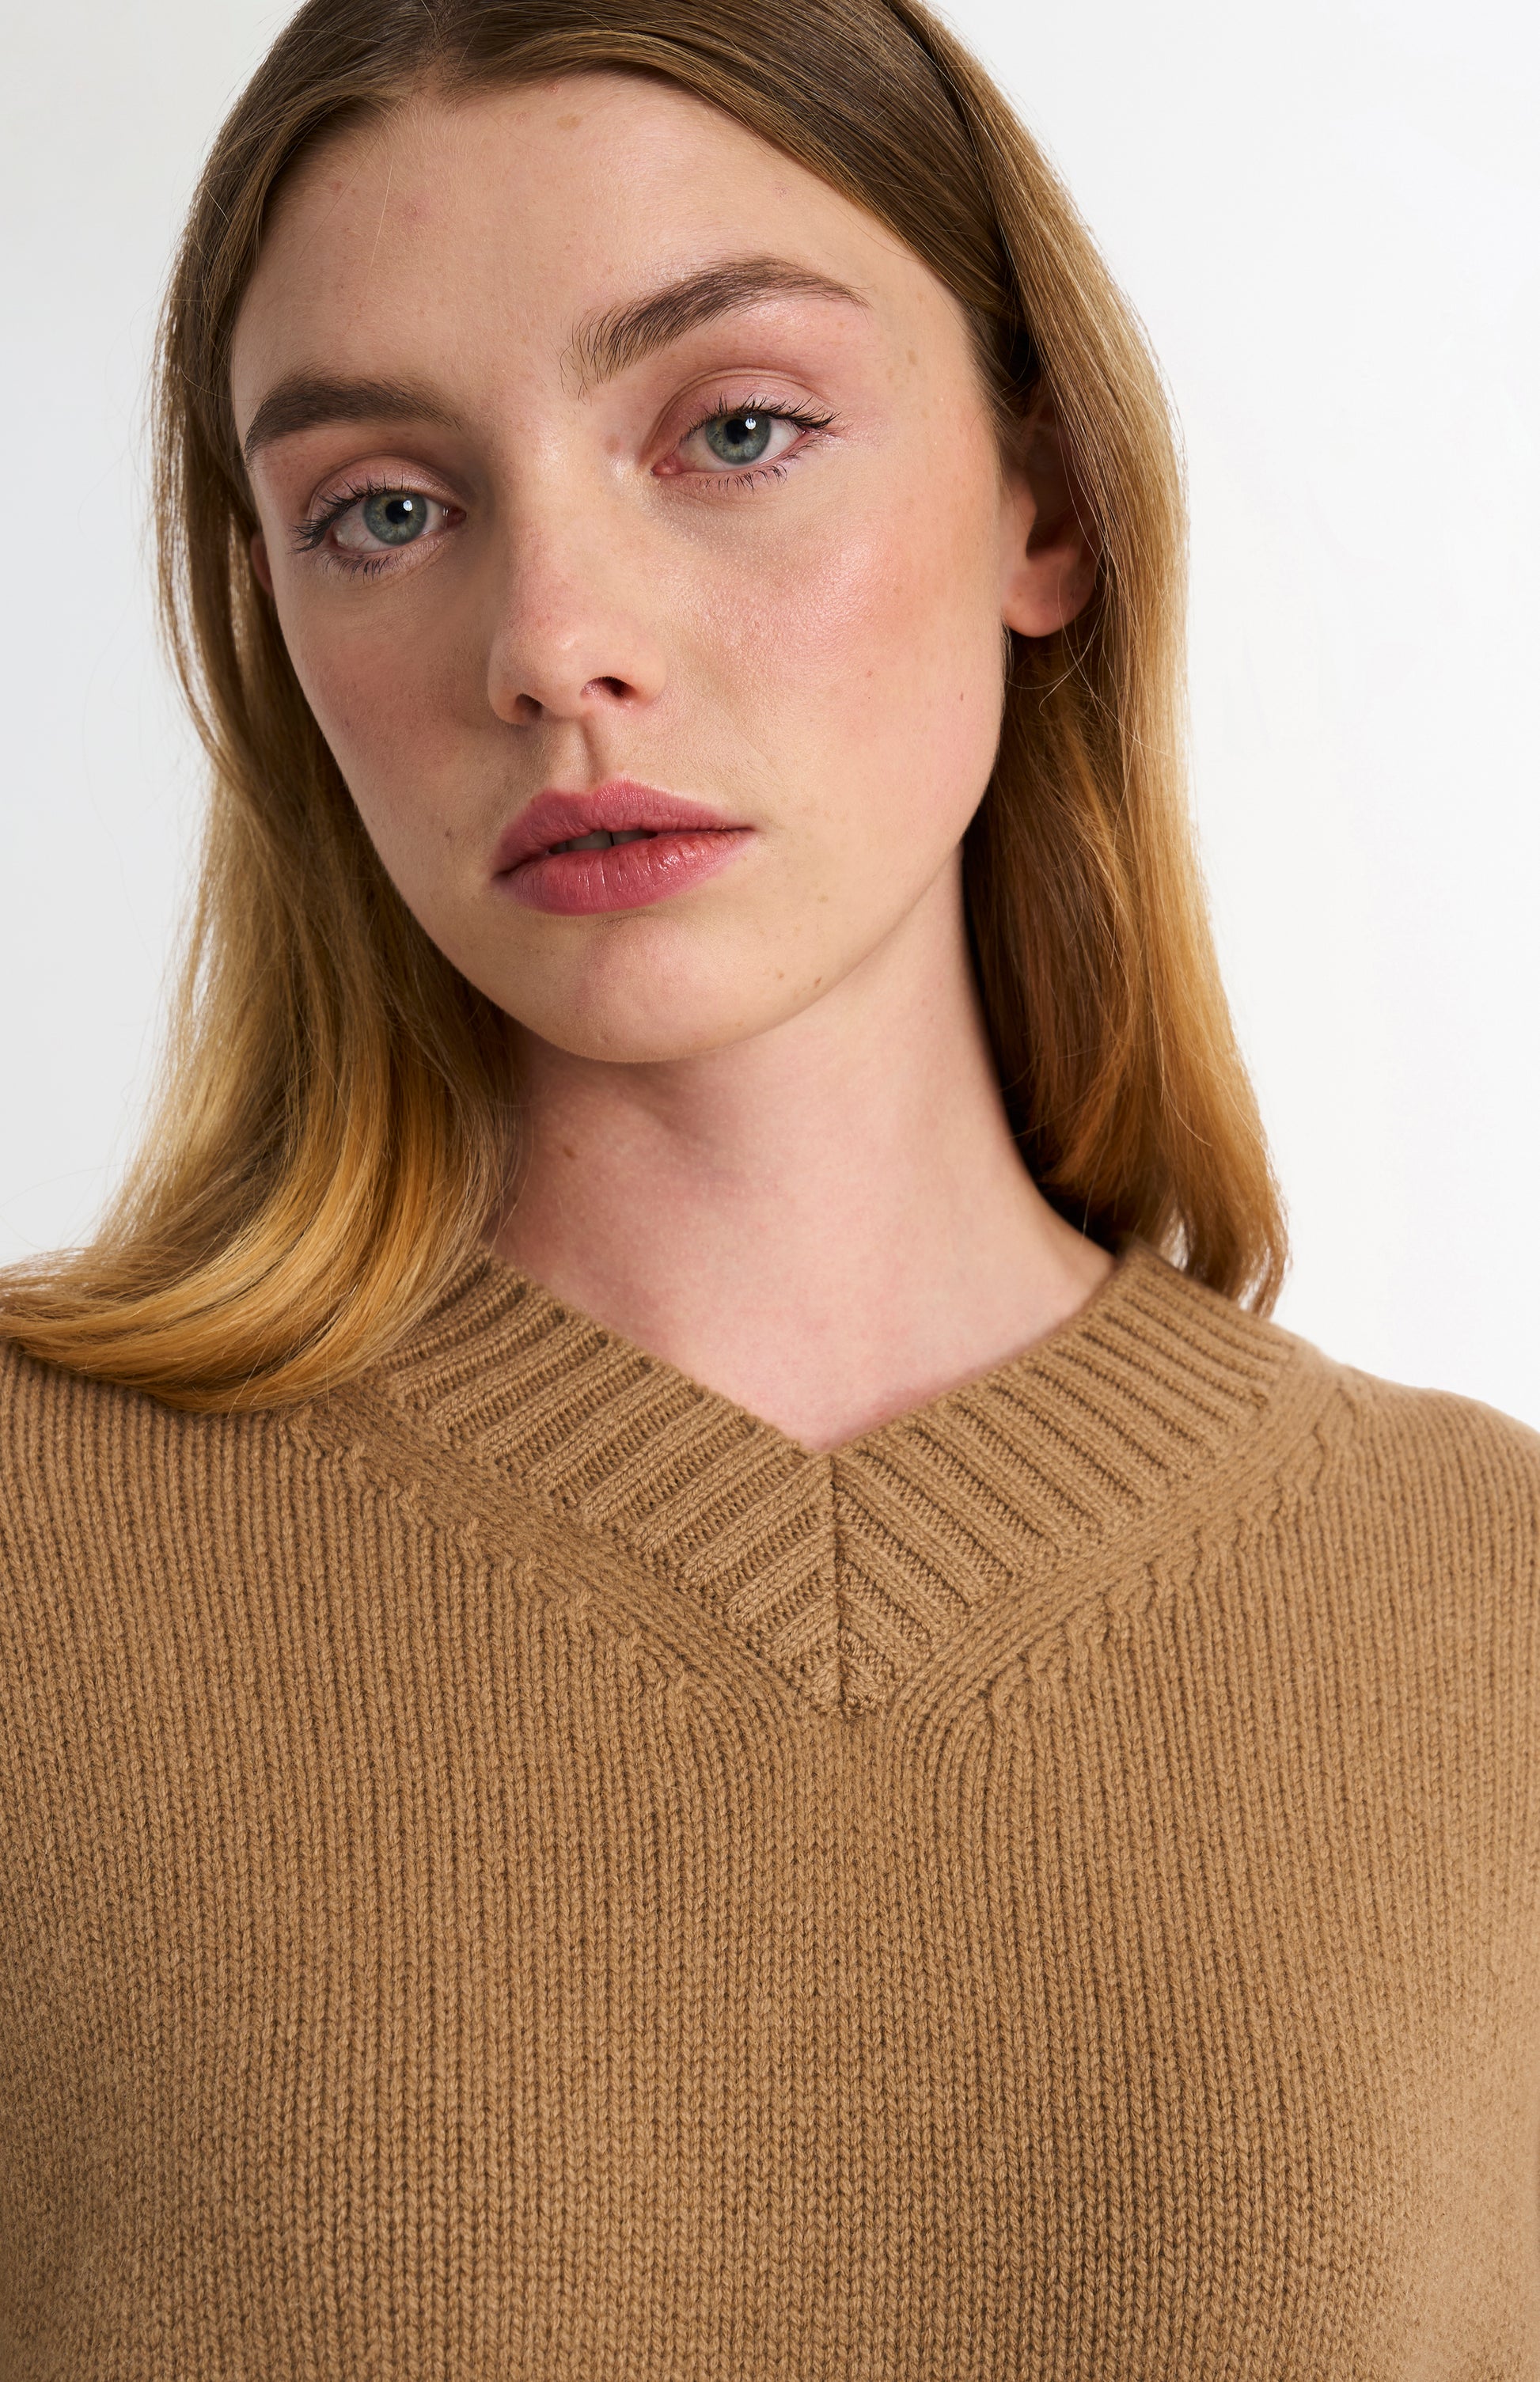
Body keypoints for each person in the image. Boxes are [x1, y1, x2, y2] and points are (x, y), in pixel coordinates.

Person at [0, 0, 1534, 2372]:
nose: (551, 648)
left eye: (734, 430)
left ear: (1045, 503)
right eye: (383, 508)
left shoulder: (1487, 1621)